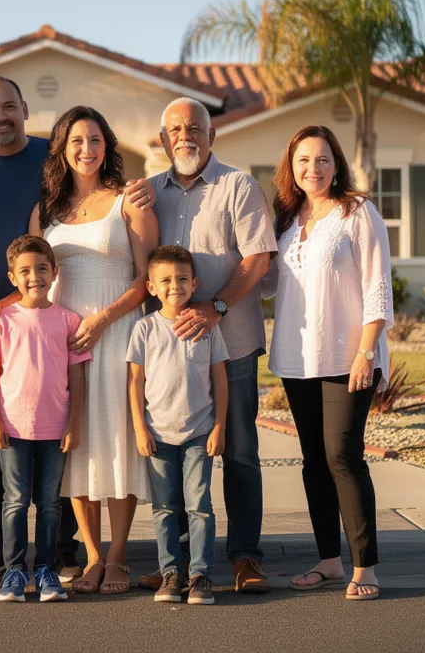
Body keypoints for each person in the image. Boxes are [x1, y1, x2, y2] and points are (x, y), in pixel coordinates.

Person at [0, 77, 156, 583]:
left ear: (106, 145)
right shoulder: (47, 210)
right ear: (62, 152)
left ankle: (116, 558)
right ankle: (89, 557)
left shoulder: (128, 200)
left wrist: (104, 319)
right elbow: (33, 273)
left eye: (94, 140)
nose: (86, 150)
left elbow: (147, 280)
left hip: (113, 331)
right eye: (76, 142)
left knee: (115, 442)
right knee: (79, 447)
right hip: (61, 339)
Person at [144, 97, 277, 593]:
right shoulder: (149, 194)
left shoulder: (237, 186)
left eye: (195, 128)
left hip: (232, 343)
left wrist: (215, 307)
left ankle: (244, 556)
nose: (185, 135)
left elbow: (259, 257)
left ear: (211, 135)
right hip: (170, 357)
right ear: (162, 139)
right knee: (175, 455)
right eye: (175, 129)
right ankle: (175, 560)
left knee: (239, 450)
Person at [264, 125, 393, 601]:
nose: (311, 169)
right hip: (298, 358)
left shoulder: (357, 212)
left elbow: (379, 284)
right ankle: (329, 561)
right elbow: (270, 283)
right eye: (302, 160)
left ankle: (366, 568)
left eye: (321, 159)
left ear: (336, 164)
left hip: (347, 355)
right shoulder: (286, 218)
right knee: (314, 462)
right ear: (291, 167)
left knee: (343, 456)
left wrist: (367, 351)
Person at [0, 235, 90, 603]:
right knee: (14, 501)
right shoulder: (2, 320)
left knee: (48, 502)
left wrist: (74, 423)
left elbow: (77, 377)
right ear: (13, 277)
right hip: (12, 428)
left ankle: (45, 569)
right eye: (25, 271)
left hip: (55, 428)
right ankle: (14, 571)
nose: (34, 277)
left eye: (42, 269)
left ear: (54, 272)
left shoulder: (69, 320)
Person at [129, 245, 229, 606]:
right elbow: (135, 383)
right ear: (152, 286)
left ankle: (200, 575)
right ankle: (171, 573)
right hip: (157, 434)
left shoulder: (207, 328)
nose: (176, 285)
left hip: (200, 432)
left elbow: (220, 380)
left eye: (183, 278)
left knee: (199, 505)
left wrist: (219, 427)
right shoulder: (144, 329)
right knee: (165, 507)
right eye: (166, 280)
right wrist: (140, 428)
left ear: (195, 283)